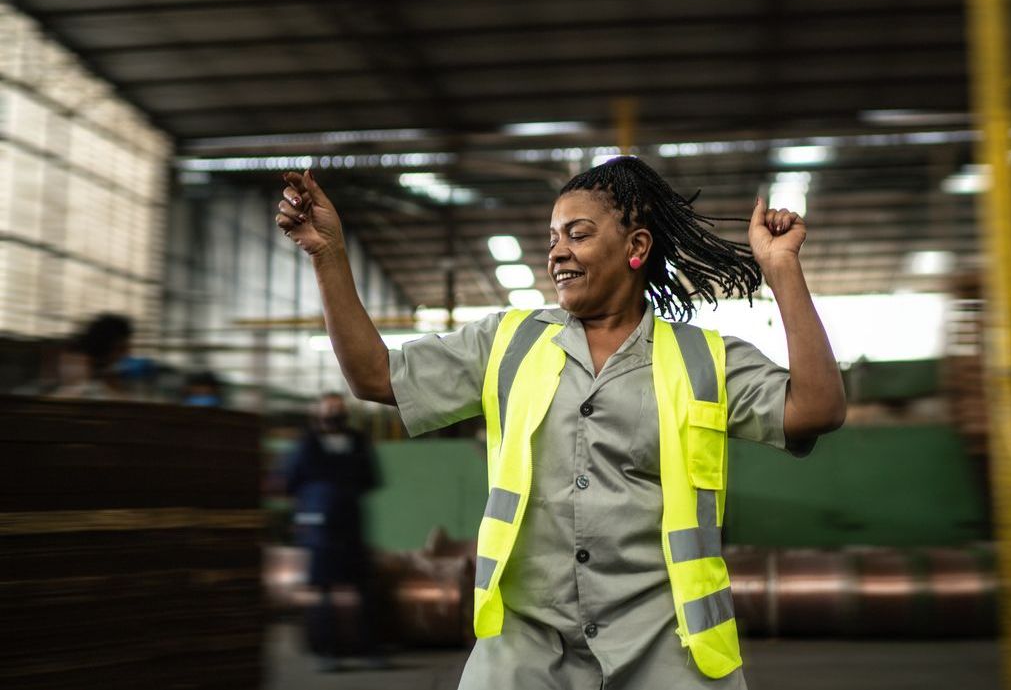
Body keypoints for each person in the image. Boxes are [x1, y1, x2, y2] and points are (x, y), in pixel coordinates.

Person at [275, 157, 846, 688]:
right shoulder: (508, 342)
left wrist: (781, 269)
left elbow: (817, 409)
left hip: (666, 646)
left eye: (578, 234)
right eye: (552, 239)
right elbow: (375, 376)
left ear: (636, 246)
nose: (558, 254)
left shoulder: (705, 360)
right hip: (525, 649)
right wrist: (329, 255)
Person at [282, 392, 385, 672]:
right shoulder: (307, 444)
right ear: (317, 415)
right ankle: (326, 652)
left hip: (351, 524)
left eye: (338, 410)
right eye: (328, 411)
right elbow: (289, 481)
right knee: (322, 592)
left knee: (364, 587)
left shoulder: (358, 442)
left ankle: (370, 650)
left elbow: (370, 478)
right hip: (319, 528)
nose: (333, 416)